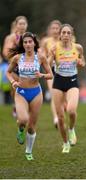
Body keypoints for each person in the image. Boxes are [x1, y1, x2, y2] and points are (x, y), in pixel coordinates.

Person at [6, 32, 53, 160]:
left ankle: (28, 151)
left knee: (32, 126)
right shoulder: (17, 58)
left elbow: (50, 75)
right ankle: (20, 129)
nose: (27, 44)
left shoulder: (41, 57)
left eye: (30, 42)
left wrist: (42, 75)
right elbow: (8, 72)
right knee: (23, 120)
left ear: (34, 43)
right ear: (23, 44)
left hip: (36, 93)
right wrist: (13, 82)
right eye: (25, 42)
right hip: (21, 92)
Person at [48, 24, 85, 153]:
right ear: (60, 35)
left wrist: (81, 63)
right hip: (58, 81)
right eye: (63, 32)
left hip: (72, 81)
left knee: (71, 110)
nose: (65, 35)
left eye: (68, 33)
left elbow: (82, 62)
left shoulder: (78, 47)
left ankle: (71, 129)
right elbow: (47, 66)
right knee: (60, 117)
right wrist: (52, 56)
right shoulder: (54, 48)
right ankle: (65, 143)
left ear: (71, 34)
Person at [3, 16, 28, 117]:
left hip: (26, 67)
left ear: (27, 25)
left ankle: (24, 107)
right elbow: (5, 52)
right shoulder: (11, 38)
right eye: (20, 24)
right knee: (15, 89)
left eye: (24, 24)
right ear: (16, 25)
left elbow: (37, 50)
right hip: (14, 67)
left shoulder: (29, 37)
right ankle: (15, 105)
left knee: (26, 87)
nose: (22, 26)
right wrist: (15, 53)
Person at [40, 20, 62, 128]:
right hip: (51, 70)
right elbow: (42, 57)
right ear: (50, 30)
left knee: (62, 96)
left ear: (60, 29)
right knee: (53, 94)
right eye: (53, 28)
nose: (55, 30)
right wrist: (49, 56)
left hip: (64, 71)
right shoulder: (45, 41)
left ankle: (61, 113)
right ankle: (56, 118)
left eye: (57, 28)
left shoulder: (66, 40)